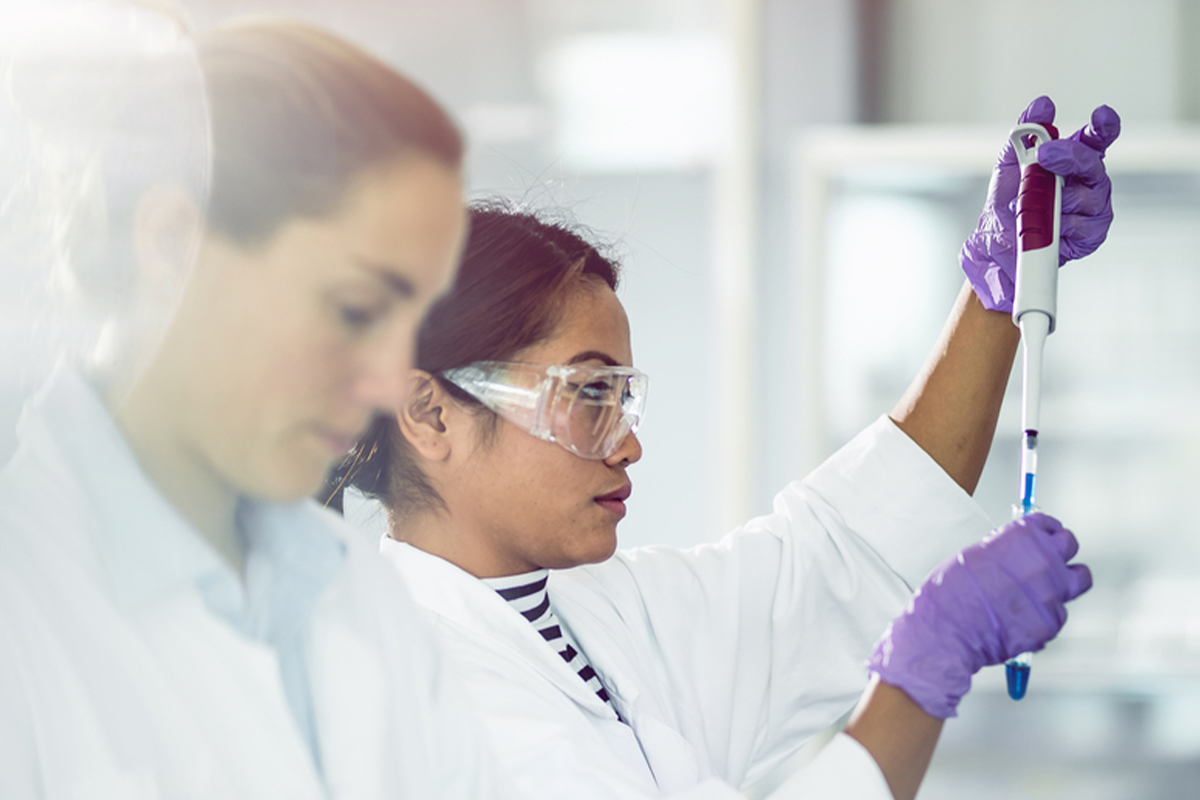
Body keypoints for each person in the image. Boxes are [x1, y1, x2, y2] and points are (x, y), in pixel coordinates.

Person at [334, 96, 1117, 800]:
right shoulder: (415, 694)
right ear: (430, 415)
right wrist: (925, 670)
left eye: (623, 398)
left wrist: (996, 291)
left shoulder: (596, 612)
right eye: (588, 394)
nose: (629, 446)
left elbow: (840, 560)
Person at [0, 7, 512, 798]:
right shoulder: (26, 609)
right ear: (171, 244)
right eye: (353, 310)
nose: (387, 382)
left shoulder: (357, 595)